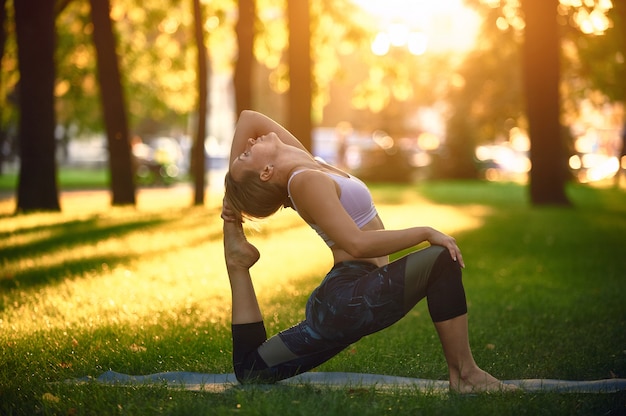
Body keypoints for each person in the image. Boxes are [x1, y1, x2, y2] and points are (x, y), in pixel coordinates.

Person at [221, 110, 515, 393]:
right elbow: (357, 244)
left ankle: (237, 260)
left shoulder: (307, 164)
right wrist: (425, 232)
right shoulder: (304, 181)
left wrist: (232, 208)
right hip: (346, 300)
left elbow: (250, 118)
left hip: (348, 299)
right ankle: (466, 375)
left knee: (252, 369)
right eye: (246, 155)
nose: (248, 142)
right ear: (266, 172)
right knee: (440, 260)